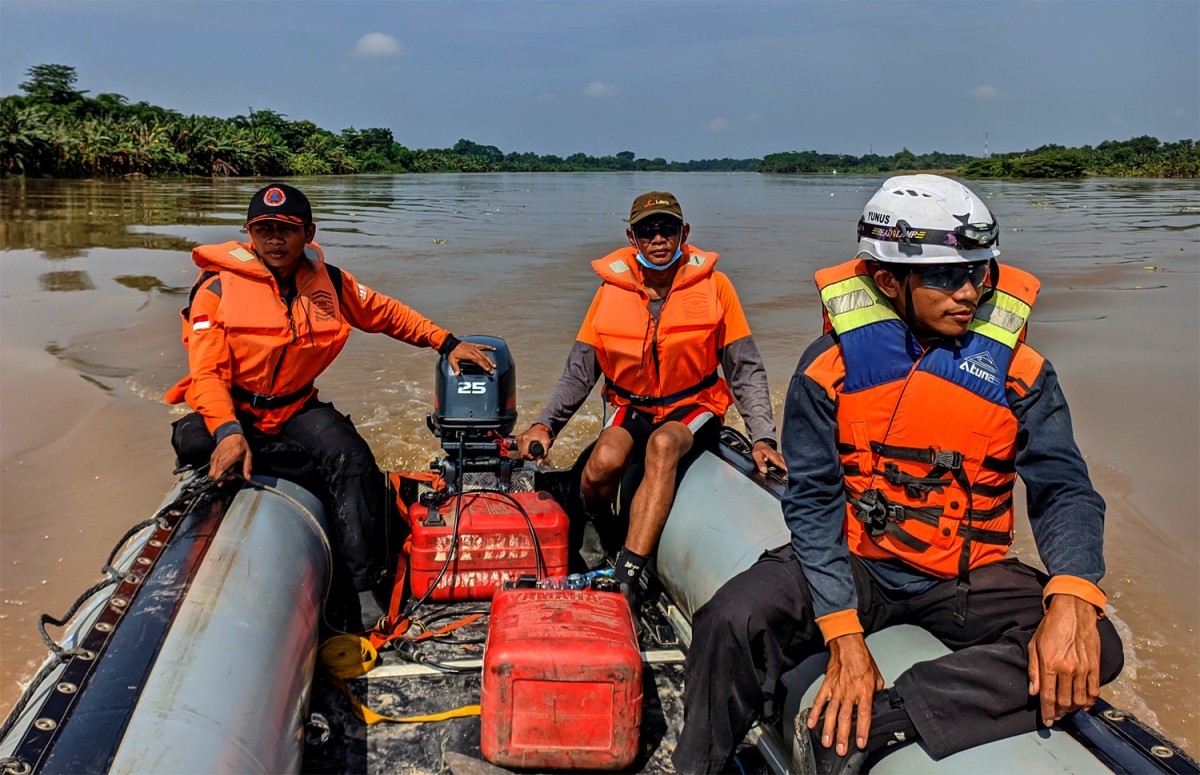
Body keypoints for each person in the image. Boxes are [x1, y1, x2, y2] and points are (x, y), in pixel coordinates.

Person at [673, 175, 1124, 774]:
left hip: (965, 577)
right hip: (859, 562)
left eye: (980, 272)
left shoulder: (1021, 371)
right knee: (731, 618)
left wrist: (1071, 595)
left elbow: (1064, 488)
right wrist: (843, 635)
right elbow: (811, 503)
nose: (968, 292)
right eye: (944, 276)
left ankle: (892, 717)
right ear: (889, 281)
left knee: (1103, 643)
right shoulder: (827, 368)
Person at [165, 183, 494, 630]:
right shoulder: (217, 288)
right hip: (232, 409)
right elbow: (206, 374)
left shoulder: (331, 283)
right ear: (249, 235)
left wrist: (445, 341)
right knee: (190, 438)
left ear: (308, 233)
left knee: (352, 458)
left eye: (286, 230)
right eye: (264, 230)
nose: (275, 240)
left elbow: (386, 313)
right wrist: (228, 430)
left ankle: (364, 587)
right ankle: (282, 465)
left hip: (295, 408)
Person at [516, 191, 785, 602]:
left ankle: (626, 576)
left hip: (693, 407)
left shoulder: (717, 287)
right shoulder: (610, 291)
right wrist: (546, 424)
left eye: (667, 230)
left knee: (662, 445)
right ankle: (602, 535)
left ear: (684, 233)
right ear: (632, 237)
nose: (658, 240)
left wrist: (763, 436)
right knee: (602, 463)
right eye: (647, 231)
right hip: (633, 405)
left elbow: (744, 367)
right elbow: (581, 369)